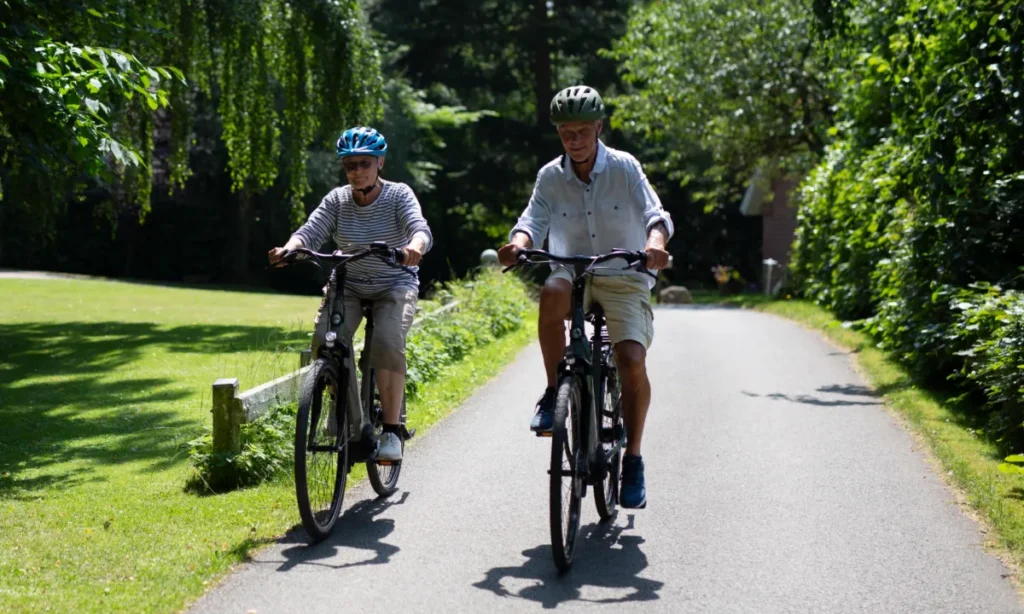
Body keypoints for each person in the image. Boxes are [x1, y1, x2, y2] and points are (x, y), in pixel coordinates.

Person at [497, 86, 673, 509]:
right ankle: (554, 389)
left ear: (598, 127)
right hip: (572, 269)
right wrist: (518, 243)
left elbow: (656, 214)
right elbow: (532, 220)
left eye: (581, 131)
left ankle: (632, 459)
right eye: (564, 132)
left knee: (631, 359)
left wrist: (654, 243)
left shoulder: (625, 167)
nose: (573, 140)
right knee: (552, 291)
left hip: (623, 274)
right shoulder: (550, 176)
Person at [268, 127, 432, 461]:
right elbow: (310, 231)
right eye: (349, 165)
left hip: (394, 283)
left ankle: (390, 431)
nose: (356, 171)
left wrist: (414, 248)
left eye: (363, 163)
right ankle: (346, 413)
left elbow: (419, 228)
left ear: (379, 163)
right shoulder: (337, 200)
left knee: (387, 342)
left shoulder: (399, 195)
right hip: (350, 284)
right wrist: (290, 249)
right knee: (324, 340)